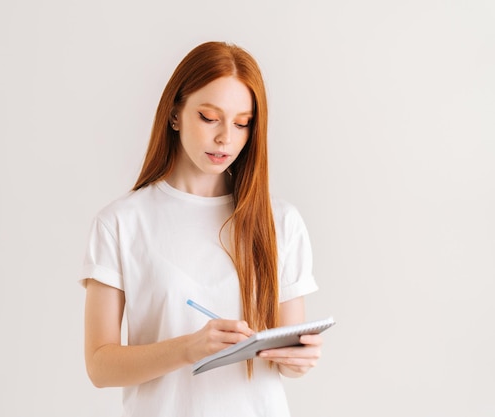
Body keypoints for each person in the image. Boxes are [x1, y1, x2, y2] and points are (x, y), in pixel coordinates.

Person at [80, 41, 323, 417]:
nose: (226, 137)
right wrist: (189, 348)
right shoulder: (121, 223)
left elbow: (288, 356)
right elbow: (100, 366)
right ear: (175, 114)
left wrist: (298, 360)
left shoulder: (279, 222)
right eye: (209, 117)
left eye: (242, 123)